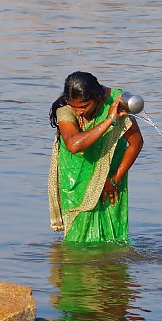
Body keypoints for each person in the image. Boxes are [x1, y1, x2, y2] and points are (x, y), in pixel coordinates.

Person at [48, 71, 143, 243]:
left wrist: (114, 179)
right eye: (74, 107)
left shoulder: (115, 103)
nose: (79, 112)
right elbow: (74, 145)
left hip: (112, 179)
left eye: (84, 106)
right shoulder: (65, 108)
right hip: (76, 178)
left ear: (97, 98)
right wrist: (109, 120)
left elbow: (136, 143)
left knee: (113, 237)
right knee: (77, 238)